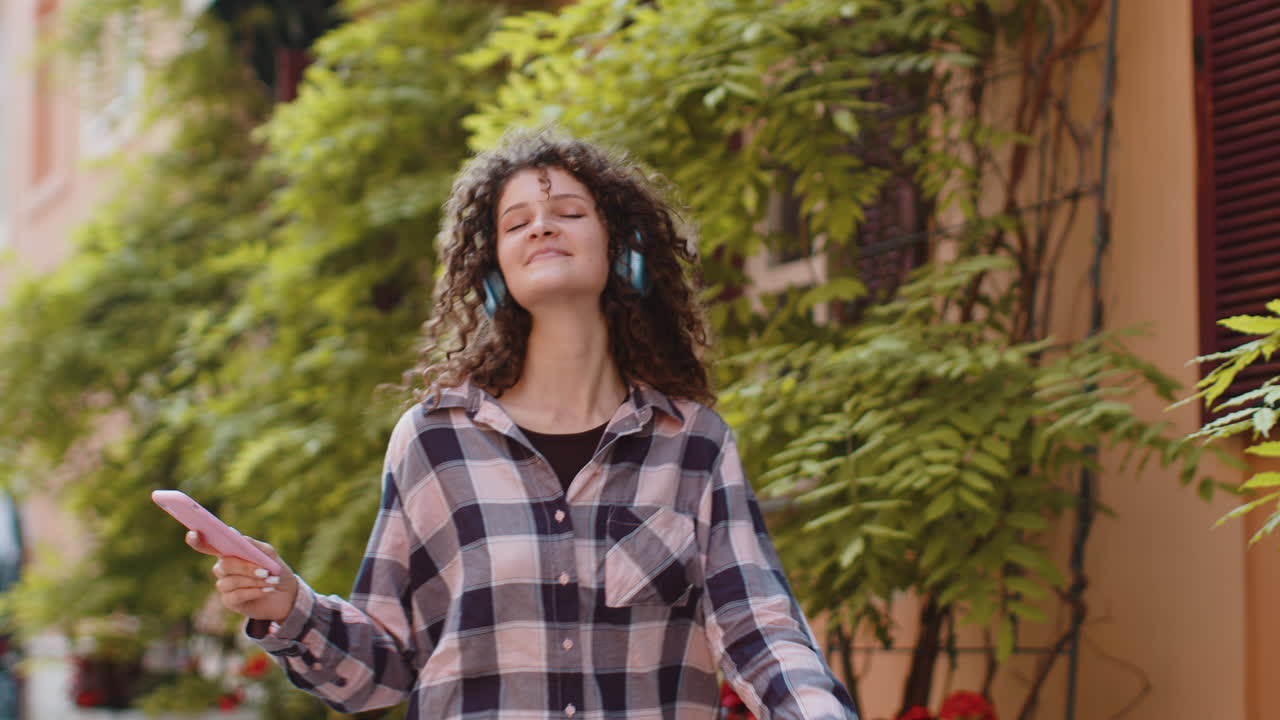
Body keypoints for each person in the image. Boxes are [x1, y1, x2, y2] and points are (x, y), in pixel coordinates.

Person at [186, 129, 859, 720]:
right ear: (495, 271)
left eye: (568, 212)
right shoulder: (433, 442)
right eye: (517, 222)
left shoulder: (693, 443)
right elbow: (382, 672)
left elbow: (756, 625)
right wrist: (287, 606)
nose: (542, 226)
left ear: (619, 249)